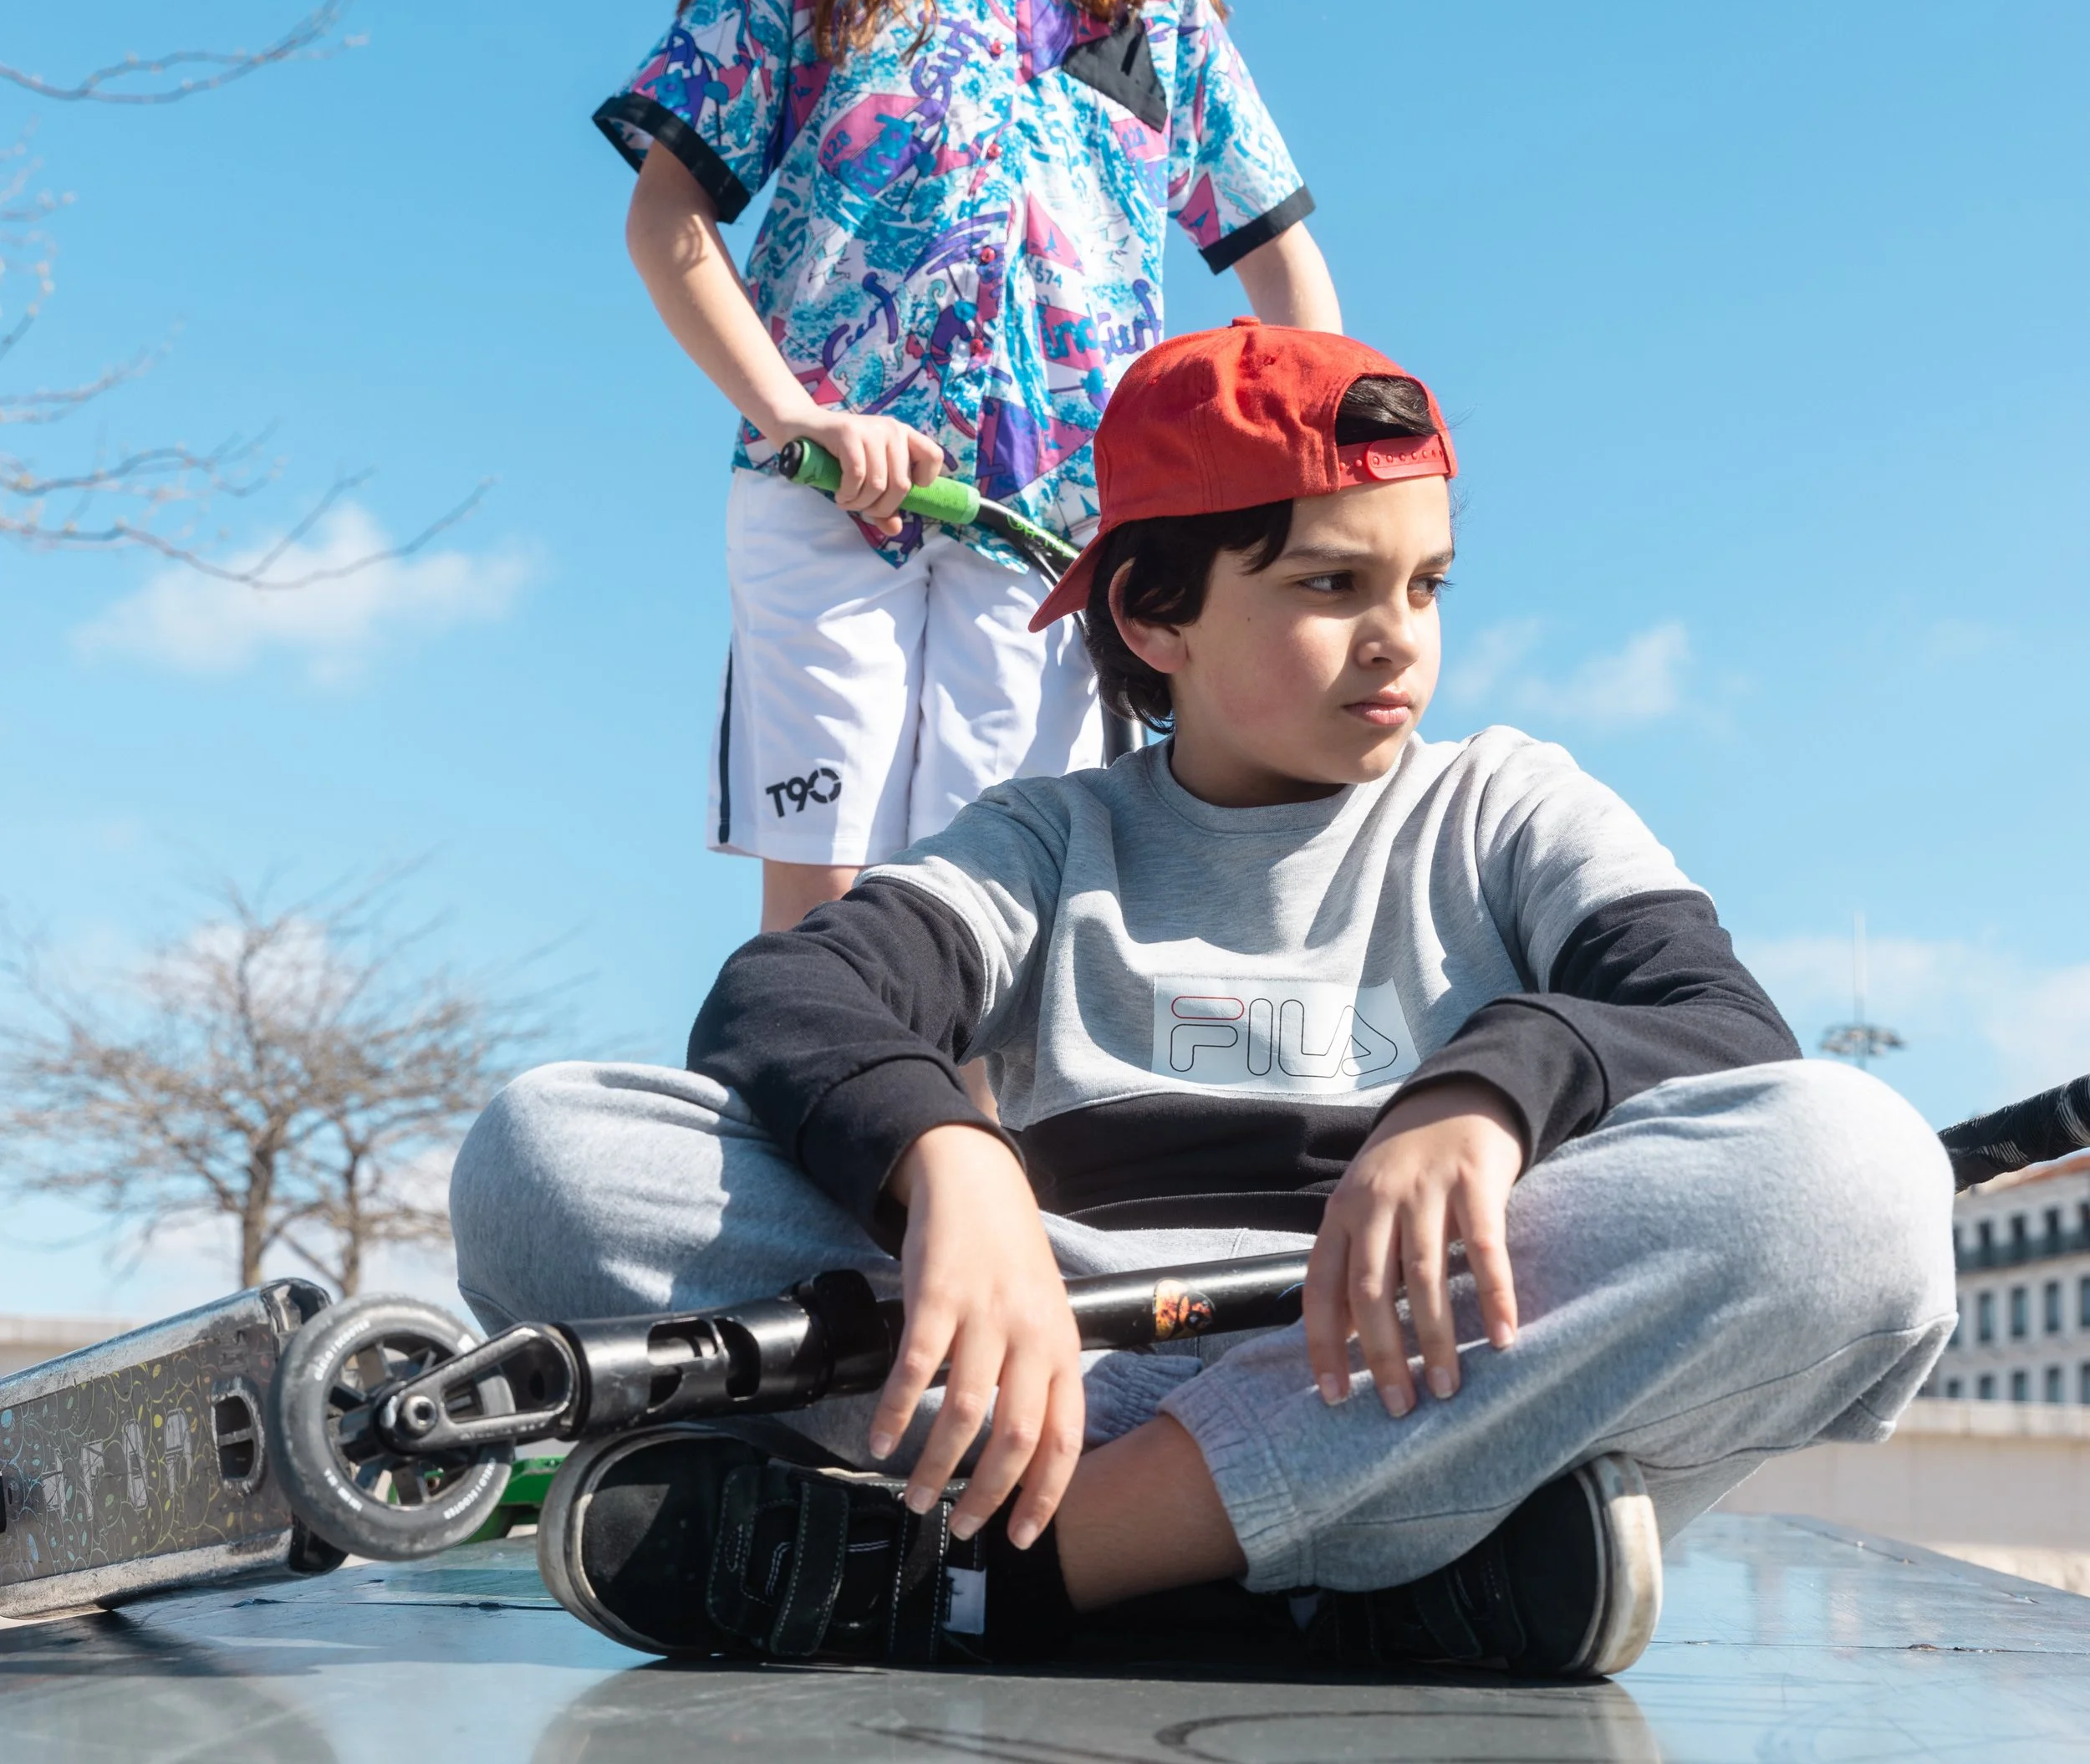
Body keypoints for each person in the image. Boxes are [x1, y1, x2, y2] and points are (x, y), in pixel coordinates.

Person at [451, 325, 1955, 1679]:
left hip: (1409, 1360)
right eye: (1331, 584)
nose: (1399, 638)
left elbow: (1716, 1025)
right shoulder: (1049, 836)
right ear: (1157, 616)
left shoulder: (1510, 802)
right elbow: (795, 994)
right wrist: (947, 1166)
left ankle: (1028, 1574)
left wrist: (1484, 1094)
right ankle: (1370, 1571)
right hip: (1059, 1364)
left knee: (1858, 1179)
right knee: (544, 1154)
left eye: (1425, 584)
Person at [595, 0, 1339, 935]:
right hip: (829, 498)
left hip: (1052, 536)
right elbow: (667, 223)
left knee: (996, 919)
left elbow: (1284, 273)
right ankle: (812, 1136)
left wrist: (1287, 488)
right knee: (827, 923)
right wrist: (800, 415)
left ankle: (977, 1153)